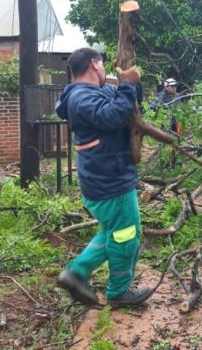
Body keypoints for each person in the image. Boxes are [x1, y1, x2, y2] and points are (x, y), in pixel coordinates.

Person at [54, 47, 151, 307]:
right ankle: (118, 292)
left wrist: (131, 85)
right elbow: (112, 116)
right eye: (103, 65)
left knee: (114, 231)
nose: (105, 70)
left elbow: (125, 101)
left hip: (108, 179)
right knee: (125, 237)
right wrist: (127, 88)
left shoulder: (91, 93)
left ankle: (75, 274)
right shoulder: (80, 97)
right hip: (110, 182)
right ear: (95, 64)